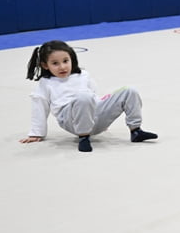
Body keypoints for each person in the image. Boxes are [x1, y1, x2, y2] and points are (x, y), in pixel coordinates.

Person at [20, 40, 158, 153]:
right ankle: (83, 138)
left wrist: (101, 116)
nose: (62, 67)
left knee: (129, 90)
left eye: (65, 61)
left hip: (92, 114)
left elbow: (94, 95)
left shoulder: (83, 75)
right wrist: (36, 133)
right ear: (45, 65)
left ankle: (136, 131)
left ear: (72, 59)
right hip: (70, 119)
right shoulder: (46, 83)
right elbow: (39, 108)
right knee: (83, 96)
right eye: (55, 63)